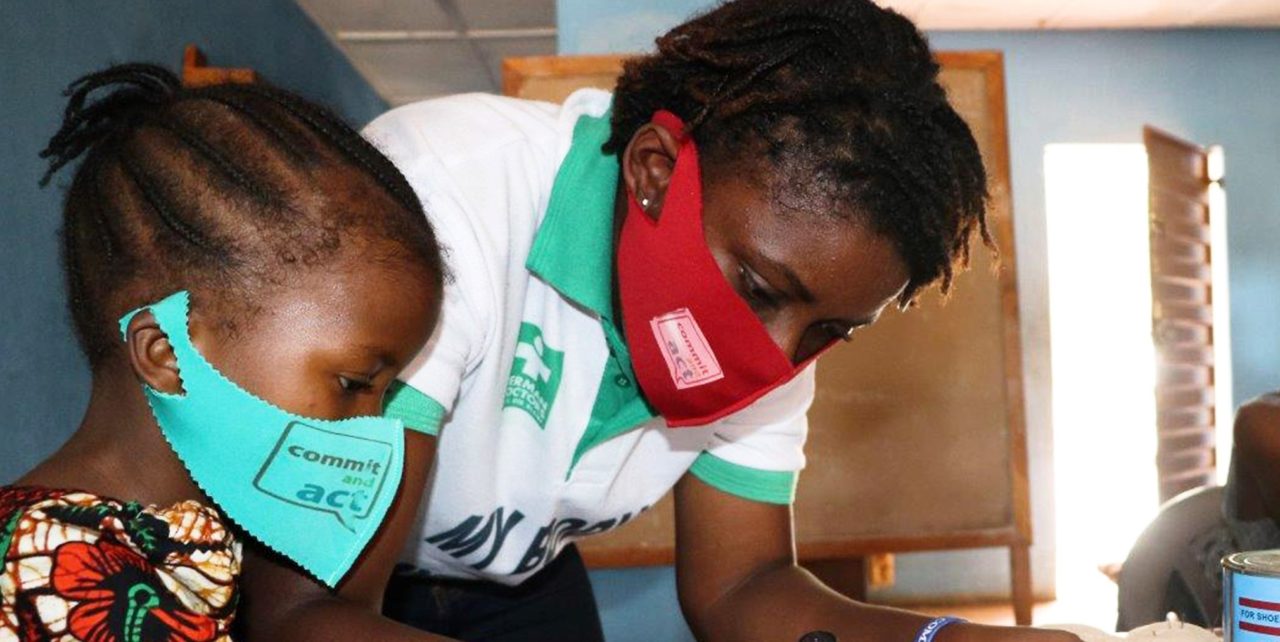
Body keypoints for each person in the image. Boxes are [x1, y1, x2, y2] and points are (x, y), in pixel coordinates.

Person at [365, 1, 1082, 640]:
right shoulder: (444, 198)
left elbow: (743, 587)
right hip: (334, 576)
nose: (773, 359)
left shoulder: (789, 323)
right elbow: (306, 611)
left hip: (518, 578)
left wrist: (944, 641)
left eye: (828, 332)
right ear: (654, 171)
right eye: (759, 288)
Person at [2, 64, 449, 641]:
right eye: (353, 383)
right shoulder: (56, 574)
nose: (369, 428)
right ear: (166, 353)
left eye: (385, 394)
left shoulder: (197, 543)